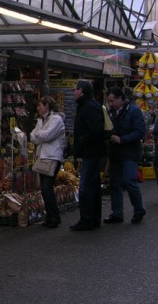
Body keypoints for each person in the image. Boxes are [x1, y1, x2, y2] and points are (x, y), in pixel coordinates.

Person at [104, 86, 147, 224]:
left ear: (121, 99)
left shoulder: (134, 111)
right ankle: (117, 213)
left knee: (129, 181)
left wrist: (122, 139)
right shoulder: (110, 112)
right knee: (115, 183)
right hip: (115, 152)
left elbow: (140, 131)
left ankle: (139, 210)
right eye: (109, 101)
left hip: (129, 152)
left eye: (112, 101)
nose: (110, 104)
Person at [70, 79, 107, 231]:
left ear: (81, 91)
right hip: (92, 151)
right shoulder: (88, 105)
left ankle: (87, 219)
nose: (73, 92)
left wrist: (82, 140)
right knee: (93, 186)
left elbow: (95, 130)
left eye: (75, 89)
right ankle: (93, 219)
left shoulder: (89, 106)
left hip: (92, 152)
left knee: (85, 186)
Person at [30, 96, 66, 228]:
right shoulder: (40, 121)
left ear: (47, 106)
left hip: (53, 157)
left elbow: (48, 135)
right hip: (42, 157)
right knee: (45, 189)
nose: (38, 108)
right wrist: (41, 134)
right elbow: (33, 137)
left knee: (47, 187)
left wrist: (40, 134)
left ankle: (55, 217)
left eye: (40, 105)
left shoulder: (56, 119)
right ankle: (50, 216)